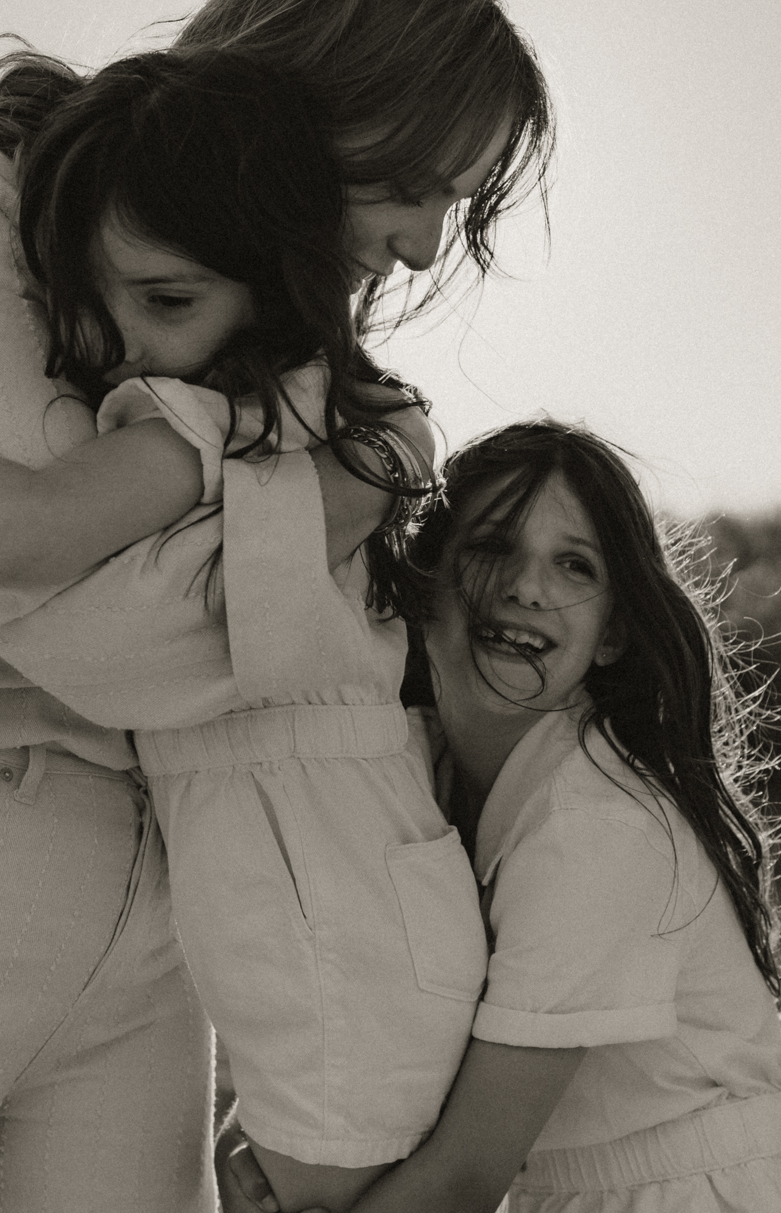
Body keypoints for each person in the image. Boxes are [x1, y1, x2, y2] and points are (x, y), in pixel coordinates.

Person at [0, 0, 553, 1213]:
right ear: (324, 100)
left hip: (157, 883)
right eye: (413, 183)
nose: (424, 246)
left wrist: (356, 458)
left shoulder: (277, 338)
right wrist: (351, 480)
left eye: (453, 206)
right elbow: (87, 621)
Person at [288, 420, 778, 1213]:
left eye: (574, 565)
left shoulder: (596, 824)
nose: (527, 585)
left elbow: (464, 1176)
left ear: (612, 633)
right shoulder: (406, 769)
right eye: (491, 546)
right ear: (424, 582)